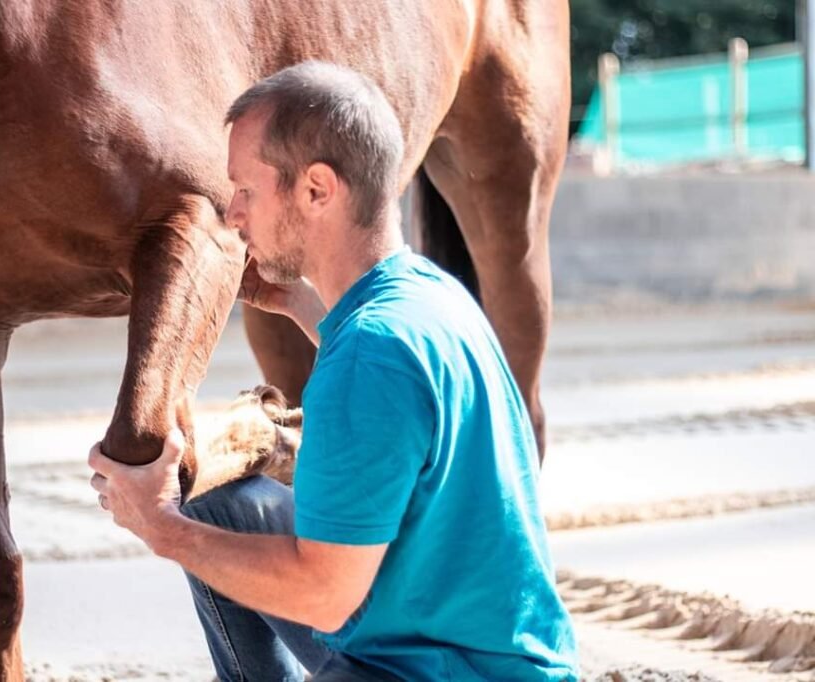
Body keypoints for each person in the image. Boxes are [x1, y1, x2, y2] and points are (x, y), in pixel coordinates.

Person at [89, 61, 578, 681]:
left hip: (438, 670)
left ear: (317, 190)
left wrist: (159, 525)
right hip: (484, 649)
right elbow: (389, 370)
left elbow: (325, 595)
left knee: (200, 525)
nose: (232, 213)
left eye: (246, 190)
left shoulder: (371, 355)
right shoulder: (426, 295)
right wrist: (293, 299)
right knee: (219, 501)